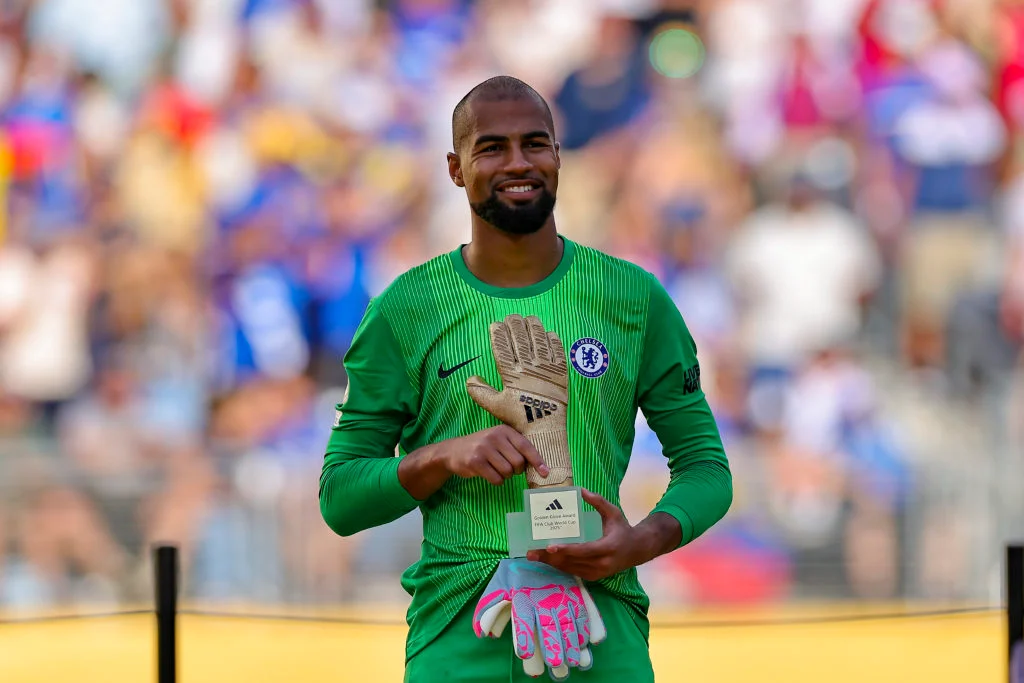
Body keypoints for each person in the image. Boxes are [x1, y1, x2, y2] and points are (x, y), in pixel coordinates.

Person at [319, 75, 733, 682]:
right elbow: (341, 497)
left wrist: (639, 542)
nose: (519, 162)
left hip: (600, 625)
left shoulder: (632, 296)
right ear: (456, 169)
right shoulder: (406, 309)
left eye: (535, 144)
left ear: (558, 157)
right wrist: (445, 457)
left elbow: (706, 468)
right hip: (459, 634)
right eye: (491, 148)